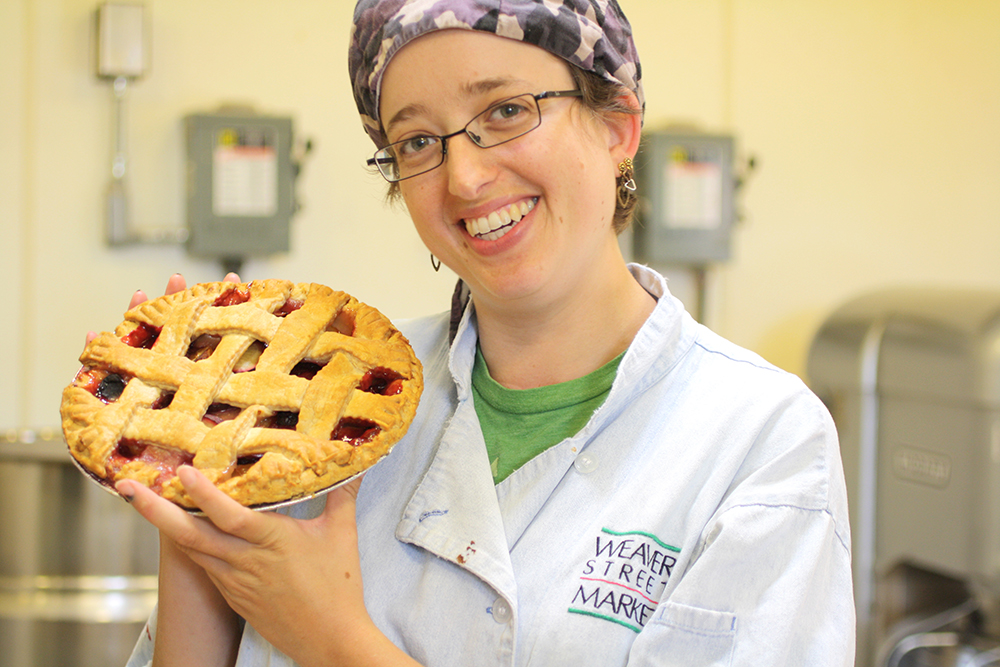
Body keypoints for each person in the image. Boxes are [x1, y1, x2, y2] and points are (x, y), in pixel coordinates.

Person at [121, 1, 855, 665]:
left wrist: (333, 639)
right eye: (415, 142)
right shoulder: (314, 394)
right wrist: (186, 476)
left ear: (618, 126)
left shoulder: (764, 444)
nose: (464, 178)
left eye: (506, 110)